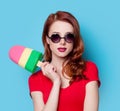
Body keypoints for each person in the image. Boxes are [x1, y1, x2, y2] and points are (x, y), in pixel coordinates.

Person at [28, 11, 100, 111]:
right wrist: (56, 82)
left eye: (69, 36)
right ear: (47, 39)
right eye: (55, 37)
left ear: (75, 40)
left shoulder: (89, 69)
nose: (62, 42)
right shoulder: (35, 80)